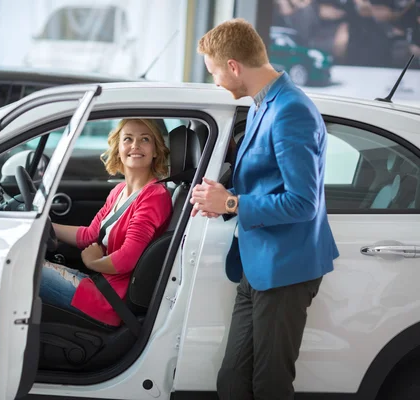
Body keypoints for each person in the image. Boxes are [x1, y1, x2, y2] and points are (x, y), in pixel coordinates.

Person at [191, 18, 340, 400]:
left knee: (269, 385)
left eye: (215, 73)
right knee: (232, 381)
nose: (217, 82)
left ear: (234, 66)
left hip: (286, 267)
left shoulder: (291, 111)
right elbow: (266, 180)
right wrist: (222, 198)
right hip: (258, 262)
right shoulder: (262, 105)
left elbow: (302, 202)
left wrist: (231, 202)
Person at [39, 118, 173, 327]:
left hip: (109, 300)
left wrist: (92, 262)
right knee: (28, 265)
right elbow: (90, 235)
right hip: (98, 284)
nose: (135, 145)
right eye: (128, 139)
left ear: (155, 150)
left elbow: (127, 259)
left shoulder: (154, 196)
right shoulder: (119, 191)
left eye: (145, 139)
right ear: (118, 147)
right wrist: (42, 224)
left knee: (22, 273)